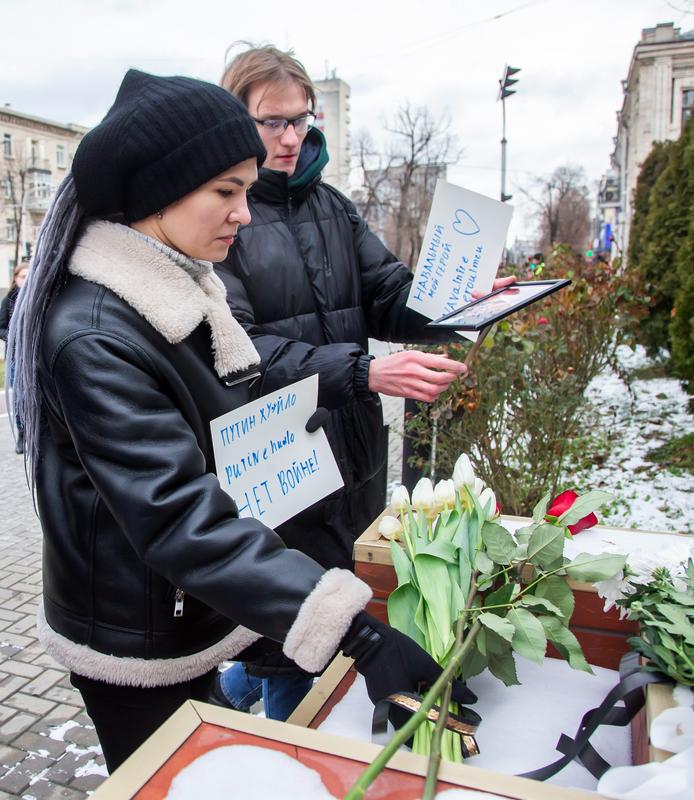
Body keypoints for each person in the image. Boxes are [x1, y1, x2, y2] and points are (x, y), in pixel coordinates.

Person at [8, 69, 474, 771]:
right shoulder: (97, 335)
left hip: (190, 610)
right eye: (226, 192)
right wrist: (354, 632)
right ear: (160, 191)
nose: (245, 215)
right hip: (137, 641)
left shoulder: (180, 291)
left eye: (248, 192)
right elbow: (178, 517)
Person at [212, 45, 514, 720]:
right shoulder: (222, 217)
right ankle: (290, 746)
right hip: (278, 458)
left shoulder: (333, 205)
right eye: (272, 121)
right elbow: (238, 348)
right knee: (297, 633)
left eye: (301, 119)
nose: (291, 137)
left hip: (352, 447)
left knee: (338, 600)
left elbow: (387, 294)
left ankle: (232, 696)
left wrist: (459, 301)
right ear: (236, 121)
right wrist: (364, 370)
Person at [0, 262, 29, 452]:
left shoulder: (39, 297)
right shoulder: (8, 300)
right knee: (20, 397)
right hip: (16, 355)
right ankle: (22, 432)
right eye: (22, 276)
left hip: (34, 355)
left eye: (29, 276)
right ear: (15, 279)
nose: (26, 280)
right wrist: (14, 336)